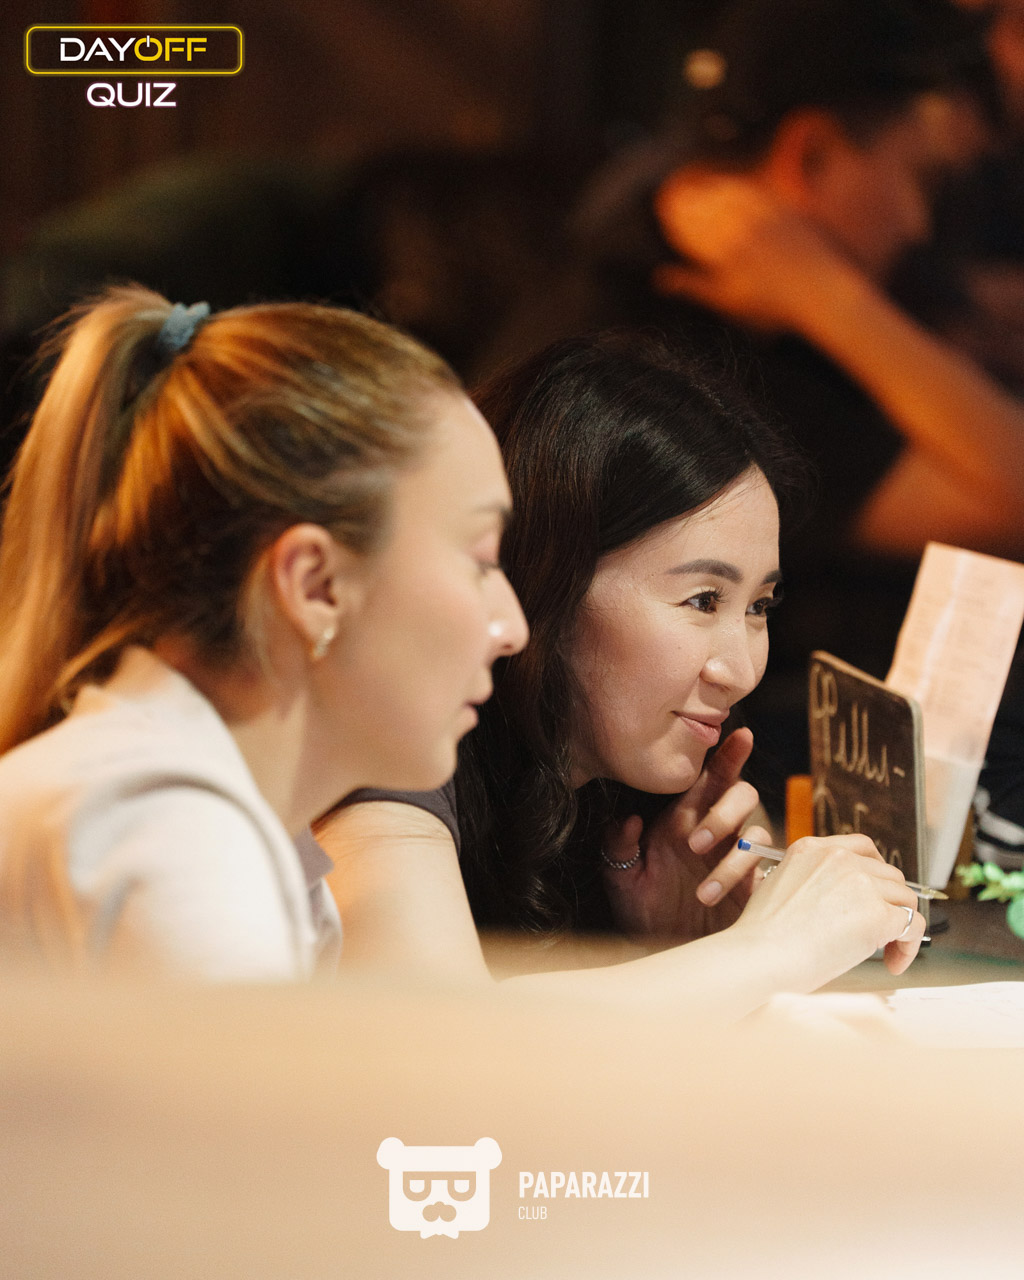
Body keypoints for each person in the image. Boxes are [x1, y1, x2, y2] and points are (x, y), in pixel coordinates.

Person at [315, 332, 926, 1023]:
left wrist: (678, 946)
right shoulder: (396, 740)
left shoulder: (640, 802)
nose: (741, 671)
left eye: (758, 607)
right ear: (548, 580)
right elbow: (428, 1034)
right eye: (703, 600)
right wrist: (771, 948)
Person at [0, 284, 527, 979]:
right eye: (481, 560)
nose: (512, 629)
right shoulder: (174, 836)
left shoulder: (203, 821)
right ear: (315, 585)